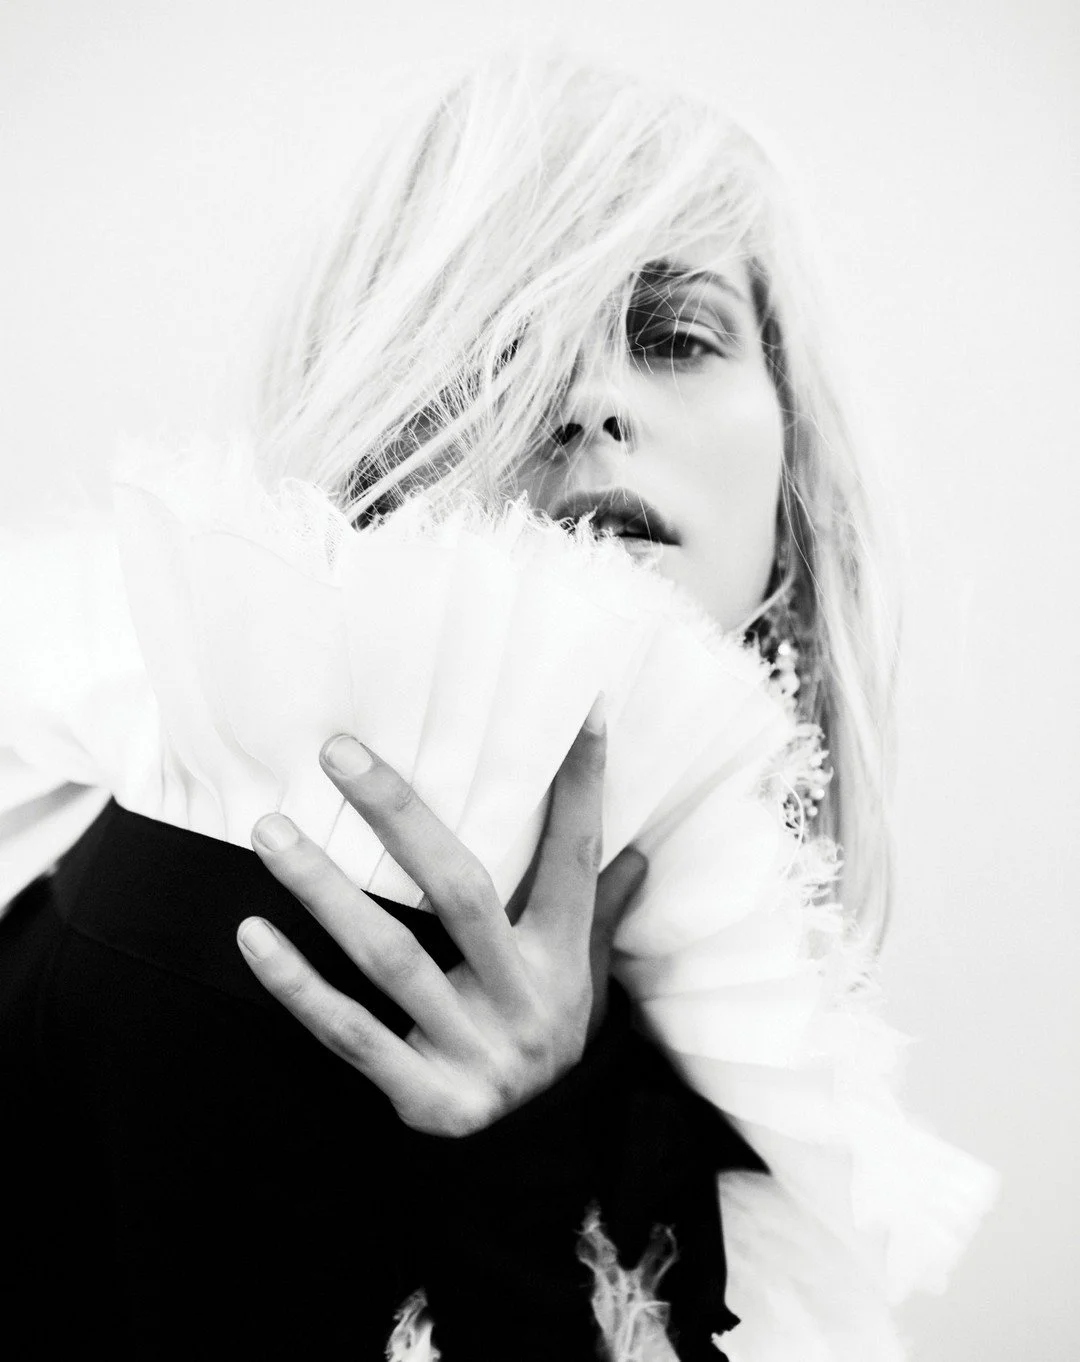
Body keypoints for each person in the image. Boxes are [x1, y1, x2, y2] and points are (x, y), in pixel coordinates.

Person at [0, 50, 992, 1362]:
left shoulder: (708, 1000)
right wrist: (503, 1190)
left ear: (793, 479)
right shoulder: (186, 936)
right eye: (501, 345)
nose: (589, 401)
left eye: (674, 336)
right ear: (382, 429)